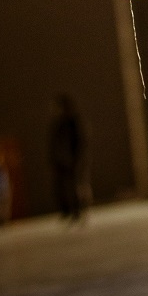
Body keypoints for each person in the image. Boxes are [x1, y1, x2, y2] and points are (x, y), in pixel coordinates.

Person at [49, 94, 88, 222]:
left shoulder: (72, 122)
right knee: (61, 187)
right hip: (60, 161)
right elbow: (54, 144)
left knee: (73, 186)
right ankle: (66, 211)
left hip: (71, 160)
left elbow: (79, 141)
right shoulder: (58, 123)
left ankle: (77, 210)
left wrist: (76, 158)